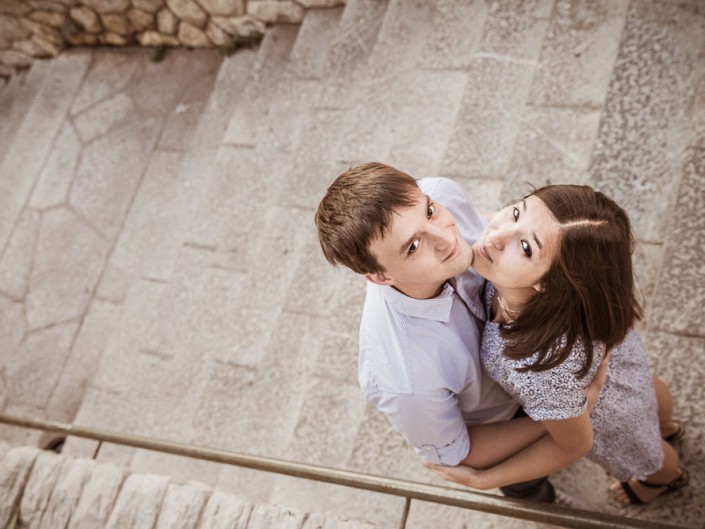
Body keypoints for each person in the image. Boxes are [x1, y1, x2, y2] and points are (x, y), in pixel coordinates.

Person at [315, 163, 602, 504]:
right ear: (380, 277)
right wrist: (558, 417)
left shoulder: (439, 191)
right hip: (502, 419)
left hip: (537, 357)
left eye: (431, 212)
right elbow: (460, 453)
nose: (447, 238)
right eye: (412, 247)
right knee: (529, 489)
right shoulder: (406, 379)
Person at [428, 184, 689, 504]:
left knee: (649, 457)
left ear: (548, 283)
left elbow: (572, 444)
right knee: (648, 392)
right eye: (515, 212)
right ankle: (667, 427)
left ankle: (665, 480)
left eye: (525, 247)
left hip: (606, 419)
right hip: (623, 372)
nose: (495, 235)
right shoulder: (574, 294)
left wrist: (485, 479)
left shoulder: (531, 366)